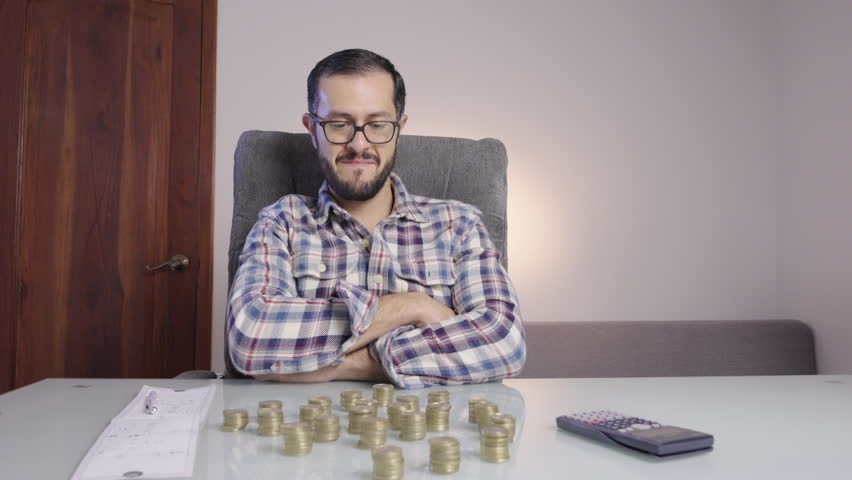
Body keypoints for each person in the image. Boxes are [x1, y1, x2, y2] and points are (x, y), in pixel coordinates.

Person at [226, 49, 526, 388]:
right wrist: (410, 307)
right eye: (339, 125)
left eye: (378, 124)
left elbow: (505, 342)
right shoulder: (282, 222)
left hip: (432, 433)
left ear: (399, 129)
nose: (359, 144)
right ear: (312, 130)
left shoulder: (459, 225)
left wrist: (352, 365)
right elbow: (250, 338)